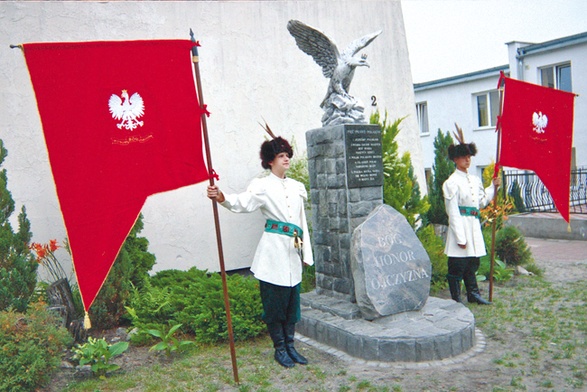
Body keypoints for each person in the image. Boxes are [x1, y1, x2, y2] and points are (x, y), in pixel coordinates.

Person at [207, 134, 314, 368]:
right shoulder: (262, 186)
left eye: (287, 155)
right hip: (272, 253)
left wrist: (307, 254)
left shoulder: (296, 187)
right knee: (274, 304)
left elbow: (302, 221)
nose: (286, 159)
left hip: (292, 252)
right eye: (281, 155)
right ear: (270, 160)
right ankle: (280, 349)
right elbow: (243, 202)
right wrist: (223, 197)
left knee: (291, 304)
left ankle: (291, 347)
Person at [443, 131, 501, 305]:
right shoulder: (451, 182)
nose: (467, 160)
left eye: (469, 157)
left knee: (472, 263)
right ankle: (456, 300)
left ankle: (473, 294)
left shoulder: (474, 180)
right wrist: (460, 237)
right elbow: (452, 212)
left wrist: (493, 187)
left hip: (473, 226)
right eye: (463, 157)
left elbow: (481, 202)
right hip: (461, 226)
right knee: (457, 265)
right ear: (455, 159)